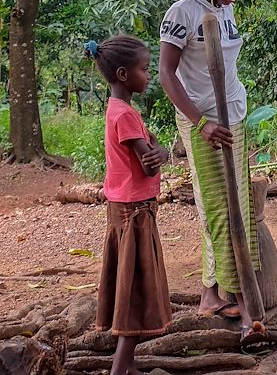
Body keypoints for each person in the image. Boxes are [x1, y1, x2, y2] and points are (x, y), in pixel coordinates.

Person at [158, 0, 265, 344]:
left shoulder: (228, 11)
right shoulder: (181, 14)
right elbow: (167, 75)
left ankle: (211, 294)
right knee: (220, 209)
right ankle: (240, 299)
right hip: (203, 122)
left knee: (237, 204)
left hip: (233, 117)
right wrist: (199, 122)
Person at [87, 35, 172, 375]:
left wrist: (155, 146)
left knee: (133, 285)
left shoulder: (118, 110)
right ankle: (120, 369)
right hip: (134, 214)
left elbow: (144, 151)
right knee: (136, 290)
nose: (149, 75)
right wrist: (164, 152)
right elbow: (149, 160)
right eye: (144, 69)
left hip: (126, 211)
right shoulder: (125, 115)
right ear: (123, 74)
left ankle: (127, 366)